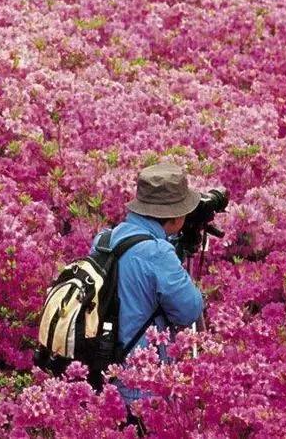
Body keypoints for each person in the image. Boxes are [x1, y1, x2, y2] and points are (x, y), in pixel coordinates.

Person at [92, 163, 205, 429]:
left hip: (102, 367)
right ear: (175, 216)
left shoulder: (105, 240)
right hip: (139, 385)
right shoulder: (158, 253)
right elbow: (189, 311)